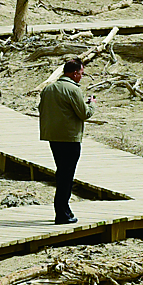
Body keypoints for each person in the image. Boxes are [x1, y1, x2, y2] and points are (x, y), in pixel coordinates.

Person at [38, 57, 93, 224]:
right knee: (66, 175)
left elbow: (42, 109)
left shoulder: (48, 89)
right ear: (75, 73)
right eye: (82, 73)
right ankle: (62, 212)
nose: (82, 77)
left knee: (61, 172)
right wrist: (92, 104)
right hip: (70, 138)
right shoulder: (73, 89)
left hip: (53, 137)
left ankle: (63, 210)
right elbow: (84, 114)